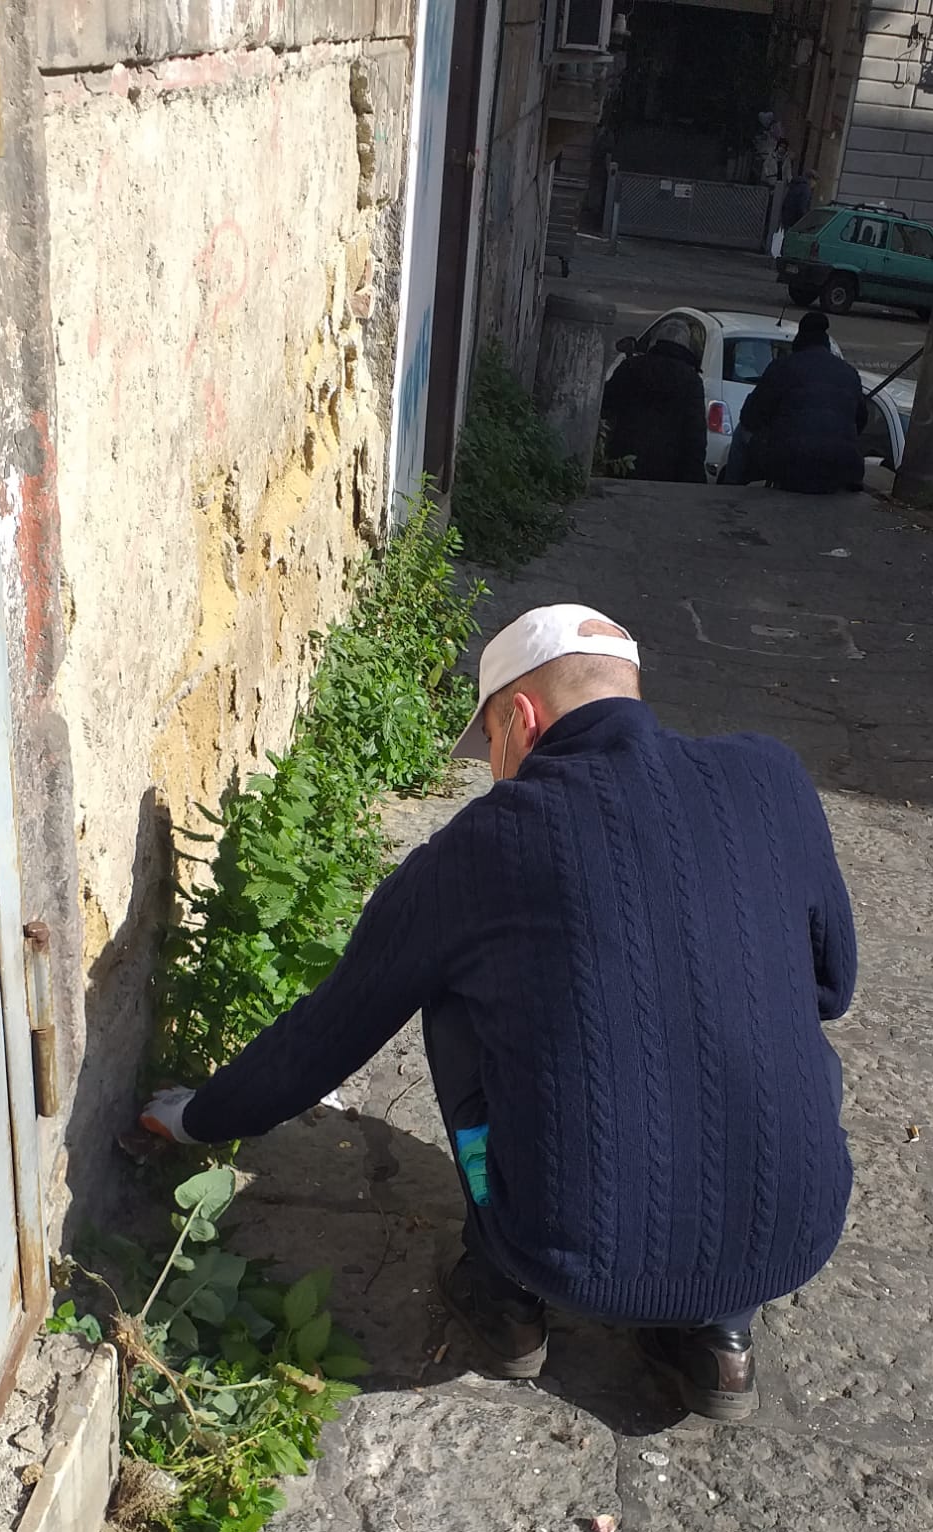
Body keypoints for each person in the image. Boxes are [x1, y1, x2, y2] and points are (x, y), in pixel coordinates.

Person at [141, 603, 857, 1424]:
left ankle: (504, 1286)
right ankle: (719, 1340)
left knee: (453, 988)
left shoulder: (481, 847)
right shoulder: (771, 776)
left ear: (520, 717)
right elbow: (833, 986)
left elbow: (331, 1030)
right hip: (795, 1235)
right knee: (767, 1008)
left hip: (563, 1250)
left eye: (488, 747)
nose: (492, 771)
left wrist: (198, 1118)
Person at [734, 310, 867, 494]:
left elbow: (750, 418)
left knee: (741, 434)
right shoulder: (849, 373)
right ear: (825, 340)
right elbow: (861, 421)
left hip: (791, 464)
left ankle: (730, 494)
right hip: (843, 467)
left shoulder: (783, 367)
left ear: (800, 338)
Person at [598, 318, 708, 483]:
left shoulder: (630, 367)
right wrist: (694, 477)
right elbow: (695, 434)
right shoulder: (691, 381)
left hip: (625, 461)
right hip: (669, 469)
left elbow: (604, 406)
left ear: (655, 342)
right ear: (686, 347)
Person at [781, 168, 813, 233]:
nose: (814, 185)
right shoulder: (806, 189)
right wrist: (804, 221)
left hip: (786, 217)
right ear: (811, 179)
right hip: (795, 221)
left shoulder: (795, 184)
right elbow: (802, 207)